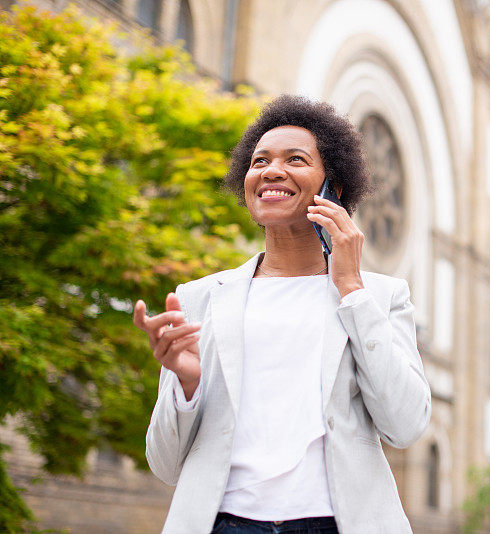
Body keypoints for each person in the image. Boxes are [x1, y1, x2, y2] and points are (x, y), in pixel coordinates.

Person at [132, 95, 431, 534]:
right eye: (260, 161)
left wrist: (351, 289)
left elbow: (405, 427)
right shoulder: (199, 299)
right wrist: (187, 383)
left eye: (296, 159)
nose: (272, 170)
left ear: (335, 188)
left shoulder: (381, 297)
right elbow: (163, 463)